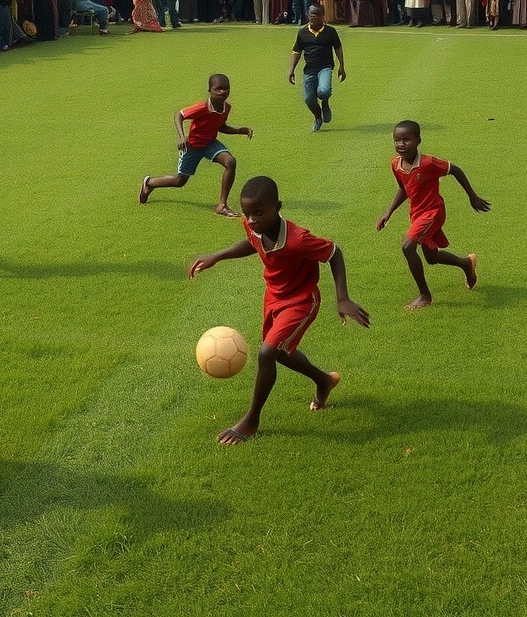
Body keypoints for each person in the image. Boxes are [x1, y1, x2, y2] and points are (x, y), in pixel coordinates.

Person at [189, 175, 370, 445]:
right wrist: (218, 255)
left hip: (300, 301)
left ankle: (251, 420)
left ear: (278, 207)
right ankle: (323, 380)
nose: (251, 220)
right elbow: (253, 241)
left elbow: (334, 253)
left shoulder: (299, 240)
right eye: (247, 213)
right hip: (273, 297)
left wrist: (342, 297)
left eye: (258, 213)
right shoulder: (253, 224)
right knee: (281, 353)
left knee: (267, 352)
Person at [375, 120, 490, 310]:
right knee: (432, 257)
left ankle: (425, 296)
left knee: (407, 246)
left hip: (433, 212)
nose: (401, 144)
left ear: (418, 141)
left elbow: (455, 170)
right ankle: (466, 263)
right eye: (397, 140)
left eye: (406, 139)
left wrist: (473, 197)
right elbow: (404, 188)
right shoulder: (396, 164)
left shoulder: (428, 163)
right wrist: (389, 212)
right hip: (417, 214)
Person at [139, 73, 253, 218]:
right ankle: (150, 183)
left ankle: (222, 205)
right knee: (180, 181)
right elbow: (179, 115)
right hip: (193, 146)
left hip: (210, 143)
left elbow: (220, 126)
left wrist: (239, 131)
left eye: (226, 88)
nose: (223, 92)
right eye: (218, 89)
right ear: (209, 91)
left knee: (230, 162)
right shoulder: (202, 107)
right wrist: (181, 137)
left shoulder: (226, 107)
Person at [288, 5, 345, 133]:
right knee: (309, 99)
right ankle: (318, 117)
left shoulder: (330, 31)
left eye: (315, 15)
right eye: (310, 15)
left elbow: (338, 48)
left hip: (325, 67)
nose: (312, 18)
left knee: (323, 91)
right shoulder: (302, 32)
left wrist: (342, 66)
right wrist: (291, 70)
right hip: (309, 70)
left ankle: (325, 101)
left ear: (321, 17)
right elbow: (296, 51)